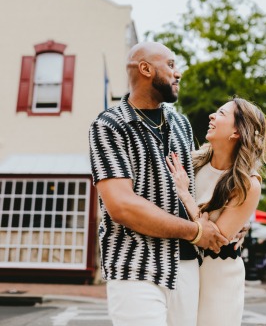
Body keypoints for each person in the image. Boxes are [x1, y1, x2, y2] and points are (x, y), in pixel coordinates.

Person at [89, 41, 231, 326]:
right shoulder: (108, 125)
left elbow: (200, 185)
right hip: (135, 265)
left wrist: (232, 216)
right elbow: (122, 207)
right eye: (170, 65)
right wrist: (195, 232)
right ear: (145, 69)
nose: (177, 73)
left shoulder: (182, 124)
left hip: (187, 266)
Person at [166, 97, 266, 326]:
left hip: (220, 278)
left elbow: (214, 240)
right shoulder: (192, 163)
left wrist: (185, 195)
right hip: (183, 269)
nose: (212, 116)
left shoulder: (246, 184)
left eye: (222, 114)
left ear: (236, 132)